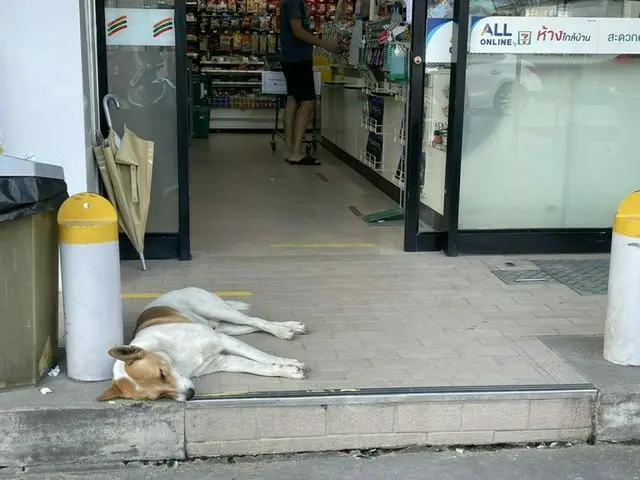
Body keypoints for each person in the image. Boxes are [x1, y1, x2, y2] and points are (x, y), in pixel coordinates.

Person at [279, 0, 339, 165]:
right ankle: (297, 152)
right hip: (298, 58)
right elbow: (297, 30)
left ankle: (288, 148)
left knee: (293, 100)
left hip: (289, 56)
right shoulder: (294, 1)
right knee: (308, 102)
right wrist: (325, 44)